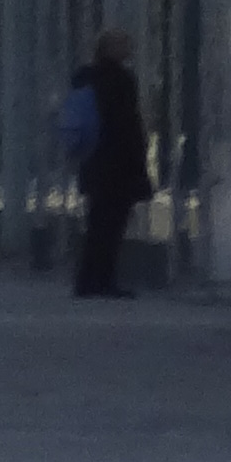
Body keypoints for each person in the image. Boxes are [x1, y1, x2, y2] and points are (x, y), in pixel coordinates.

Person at [67, 25, 155, 300]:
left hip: (93, 158)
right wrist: (139, 159)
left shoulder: (85, 78)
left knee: (97, 221)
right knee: (112, 224)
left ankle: (87, 279)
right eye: (124, 44)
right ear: (110, 49)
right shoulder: (120, 80)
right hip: (117, 162)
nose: (129, 48)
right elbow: (128, 124)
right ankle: (103, 279)